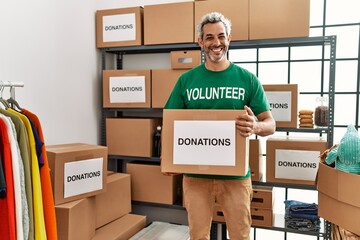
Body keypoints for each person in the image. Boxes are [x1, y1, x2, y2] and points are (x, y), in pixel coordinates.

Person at [164, 12, 276, 240]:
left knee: (240, 236)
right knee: (198, 236)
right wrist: (168, 158)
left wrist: (255, 127)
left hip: (236, 178)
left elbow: (270, 124)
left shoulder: (247, 79)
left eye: (221, 36)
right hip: (196, 177)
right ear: (200, 42)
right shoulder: (186, 81)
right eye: (209, 37)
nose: (216, 43)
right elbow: (170, 123)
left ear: (229, 38)